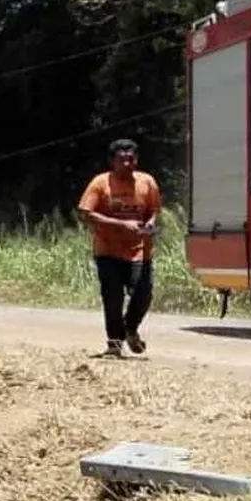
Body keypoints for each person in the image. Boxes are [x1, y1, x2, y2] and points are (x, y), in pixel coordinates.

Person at [76, 138, 162, 357]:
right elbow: (86, 213)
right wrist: (122, 224)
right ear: (112, 161)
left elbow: (154, 209)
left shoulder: (146, 182)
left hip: (140, 250)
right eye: (122, 160)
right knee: (112, 297)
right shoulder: (100, 183)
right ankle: (114, 342)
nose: (127, 164)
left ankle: (130, 328)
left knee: (143, 294)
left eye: (131, 159)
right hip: (108, 250)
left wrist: (150, 223)